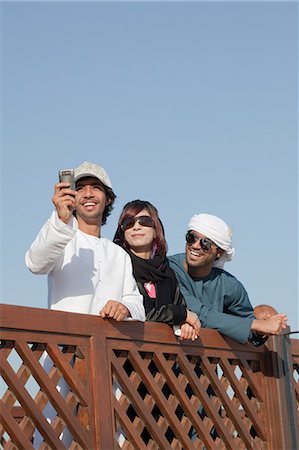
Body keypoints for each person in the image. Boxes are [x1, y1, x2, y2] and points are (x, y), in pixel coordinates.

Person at [25, 161, 145, 321]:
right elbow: (35, 264)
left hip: (107, 345)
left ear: (108, 198)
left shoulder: (119, 254)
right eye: (80, 188)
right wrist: (61, 219)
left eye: (96, 187)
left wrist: (125, 308)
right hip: (65, 344)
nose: (88, 194)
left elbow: (136, 304)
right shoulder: (60, 237)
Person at [168, 213, 288, 345]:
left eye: (205, 243)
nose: (195, 246)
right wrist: (257, 324)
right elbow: (198, 313)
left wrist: (262, 329)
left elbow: (249, 331)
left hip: (205, 363)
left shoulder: (230, 285)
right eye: (191, 238)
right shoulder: (168, 269)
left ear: (219, 252)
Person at [113, 200, 201, 341]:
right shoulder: (116, 267)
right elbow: (134, 314)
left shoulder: (167, 273)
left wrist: (184, 324)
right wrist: (178, 315)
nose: (136, 227)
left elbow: (181, 308)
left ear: (156, 230)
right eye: (129, 223)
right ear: (122, 233)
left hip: (162, 360)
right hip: (122, 356)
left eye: (144, 221)